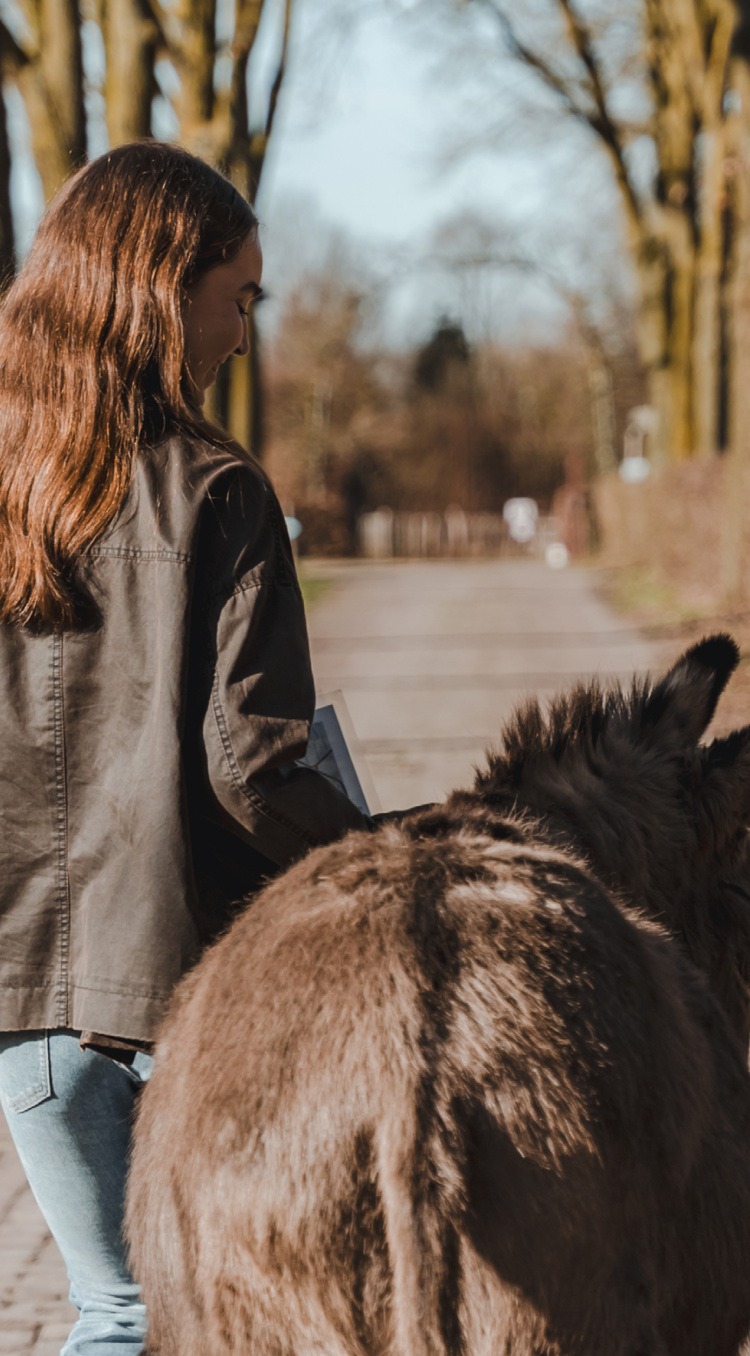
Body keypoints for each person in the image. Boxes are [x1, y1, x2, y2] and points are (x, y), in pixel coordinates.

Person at [0, 141, 370, 1355]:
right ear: (164, 289)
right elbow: (254, 765)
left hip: (23, 998)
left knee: (112, 1306)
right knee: (209, 1311)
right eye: (240, 297)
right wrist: (374, 855)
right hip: (185, 989)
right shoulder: (218, 492)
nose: (248, 333)